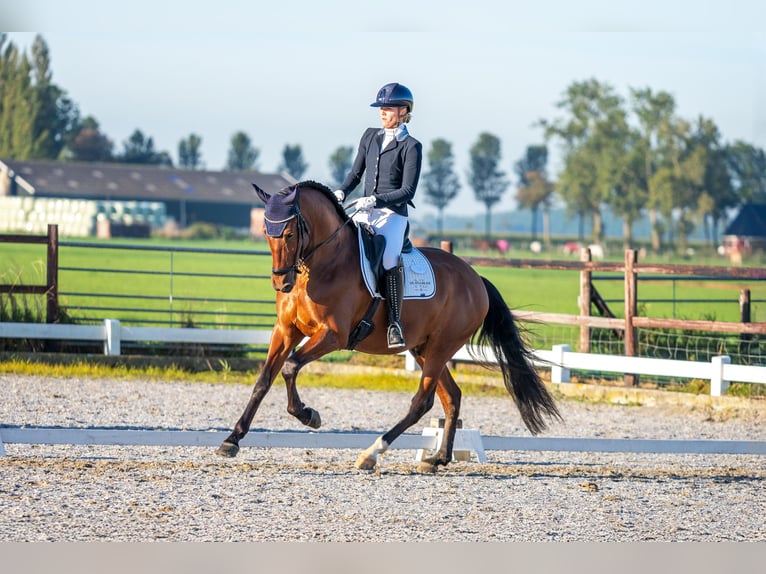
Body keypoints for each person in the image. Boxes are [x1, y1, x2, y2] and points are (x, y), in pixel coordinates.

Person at [334, 82, 422, 349]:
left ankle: (394, 323)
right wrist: (342, 191)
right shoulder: (370, 136)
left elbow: (408, 190)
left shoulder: (411, 146)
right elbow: (356, 173)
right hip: (364, 208)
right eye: (381, 108)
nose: (383, 112)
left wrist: (377, 199)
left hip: (392, 215)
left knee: (387, 258)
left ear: (404, 111)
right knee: (343, 244)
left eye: (389, 108)